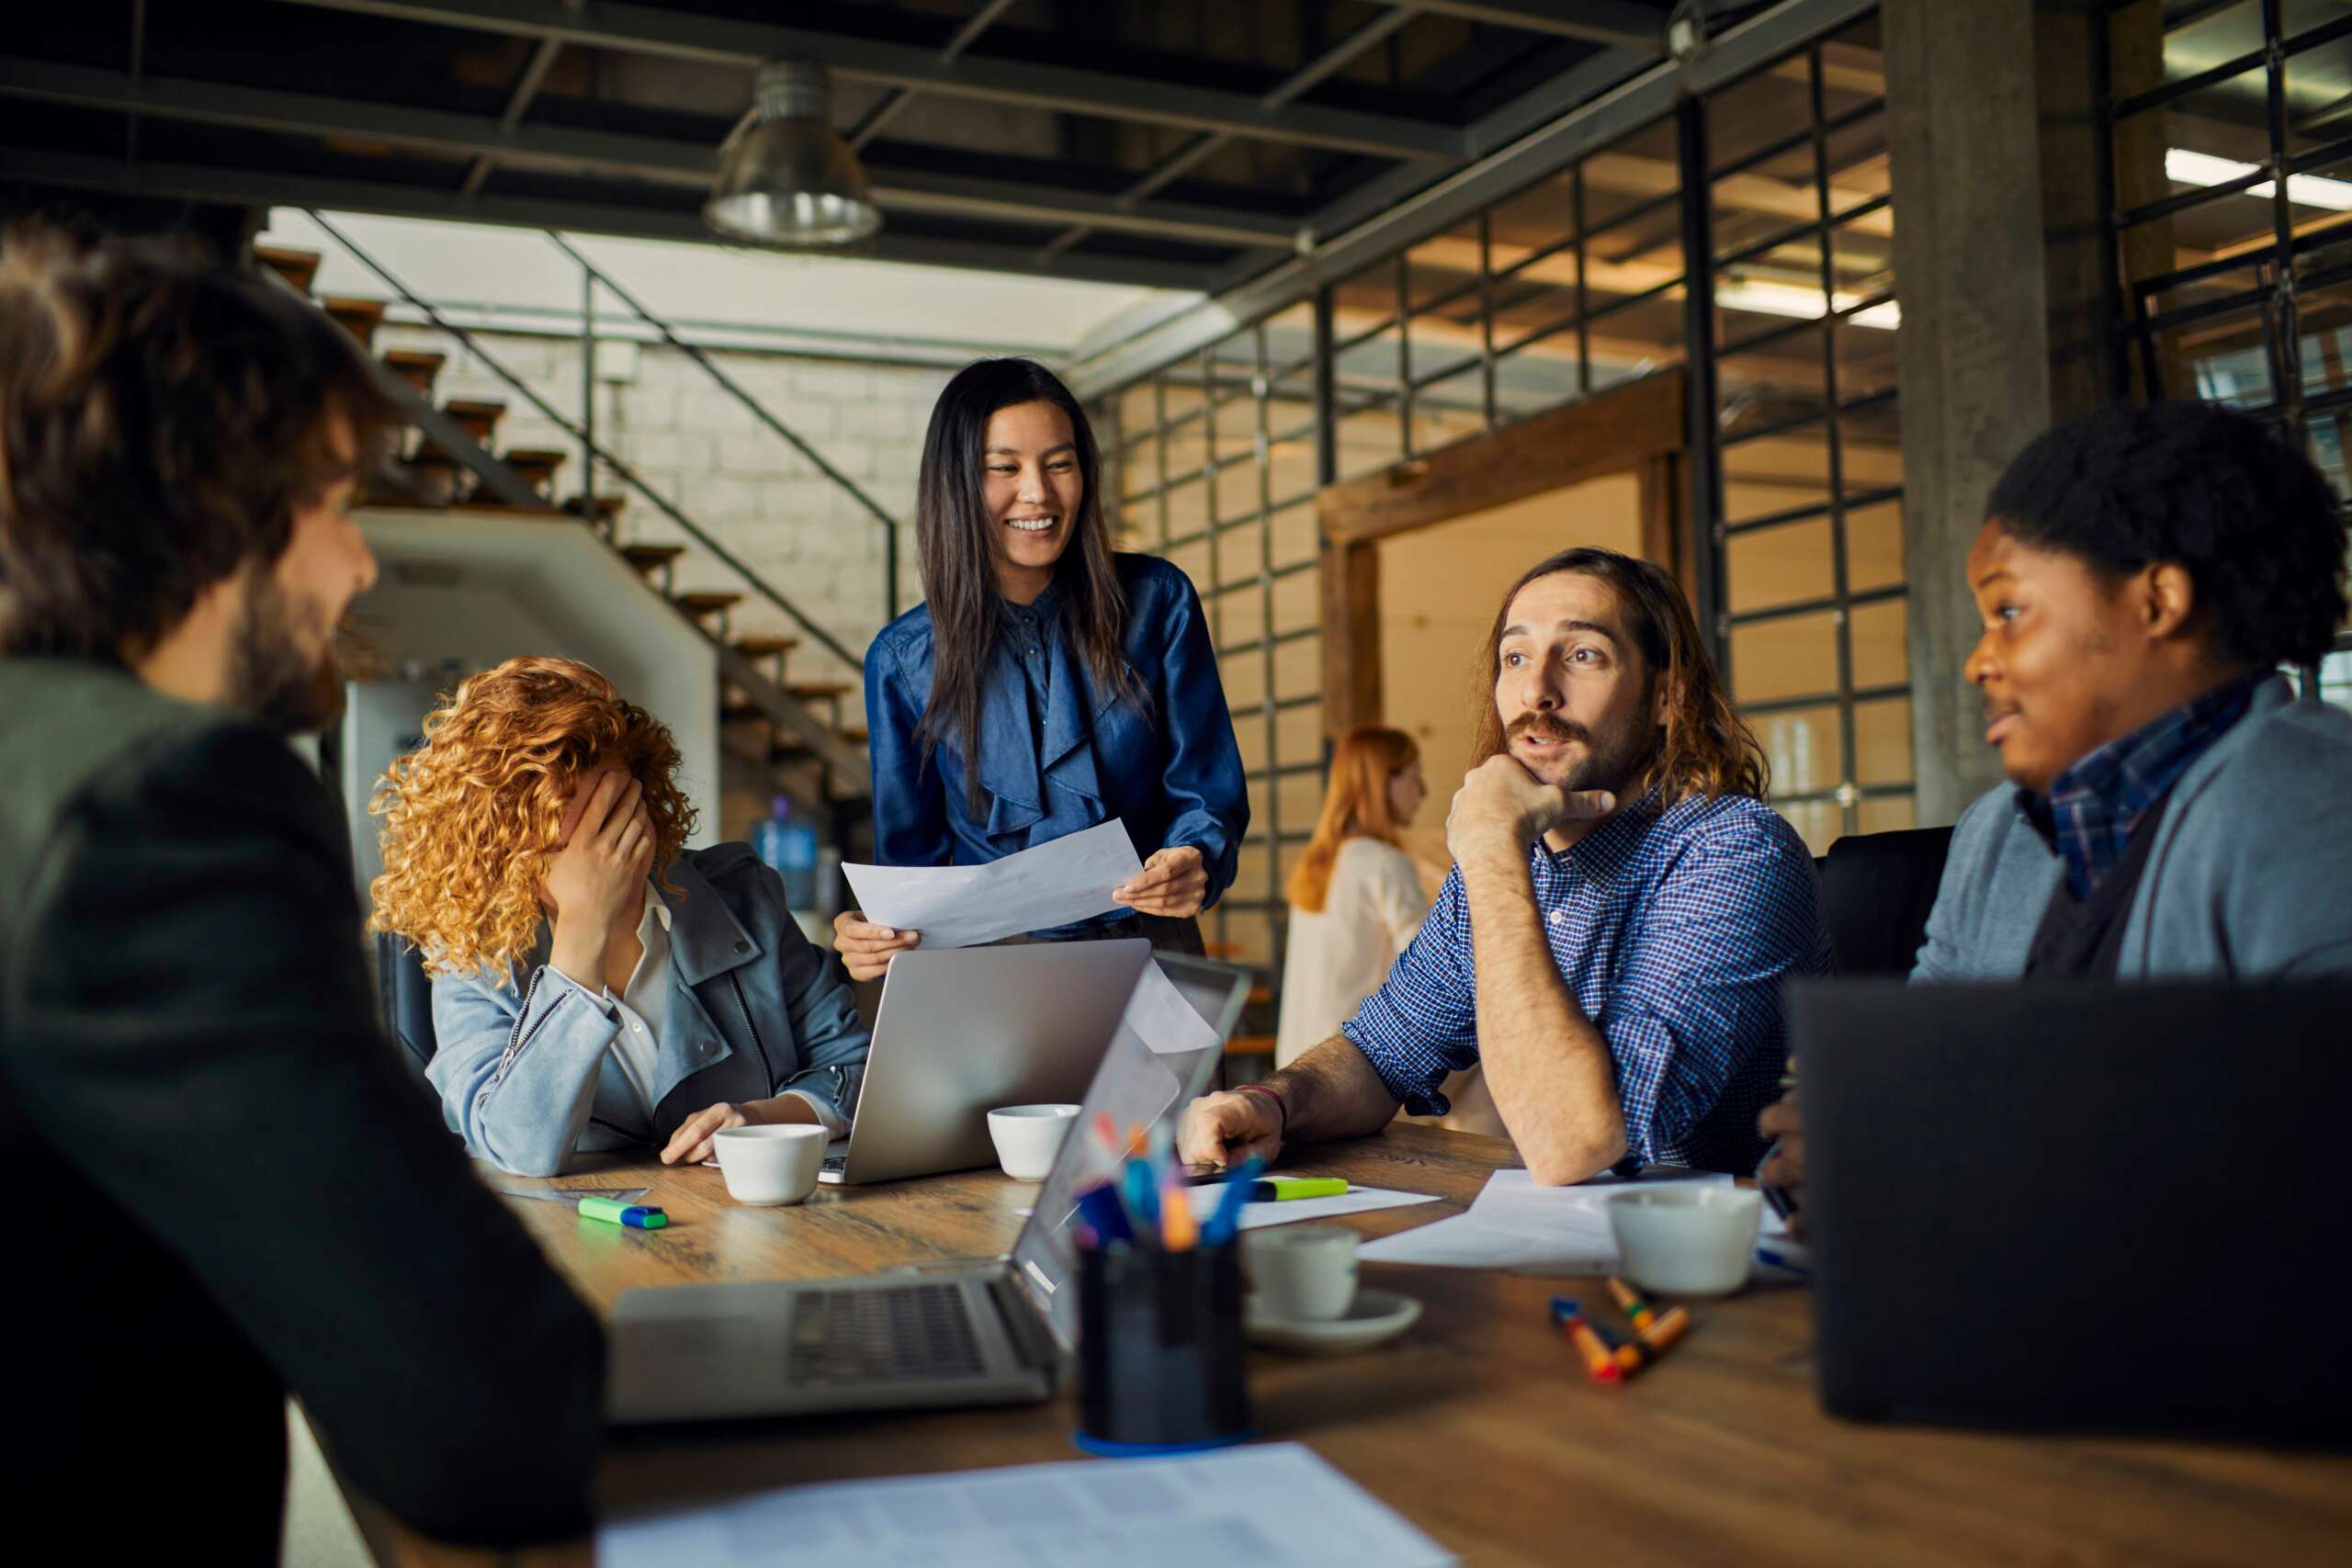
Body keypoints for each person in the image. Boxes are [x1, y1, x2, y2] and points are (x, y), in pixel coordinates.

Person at [0, 231, 602, 1554]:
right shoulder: (154, 803)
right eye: (334, 501)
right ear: (209, 509)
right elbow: (489, 1402)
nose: (361, 564)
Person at [1759, 400, 2352, 1209]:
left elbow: (2301, 1172)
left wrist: (1916, 1147)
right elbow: (1909, 1075)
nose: (1978, 662)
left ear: (2157, 602)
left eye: (2009, 612)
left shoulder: (2313, 801)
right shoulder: (1995, 834)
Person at [1184, 547, 1827, 1185]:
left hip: (1739, 1259)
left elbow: (1576, 1142)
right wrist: (1271, 1102)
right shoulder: (1513, 859)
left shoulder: (1734, 850)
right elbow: (1381, 1053)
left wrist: (1492, 850)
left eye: (1582, 655)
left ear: (1667, 698)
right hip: (1578, 1246)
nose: (1536, 690)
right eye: (1515, 656)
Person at [372, 656, 871, 1178]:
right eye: (573, 831)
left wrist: (760, 1119)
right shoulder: (471, 953)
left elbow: (856, 1069)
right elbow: (519, 1146)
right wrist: (582, 930)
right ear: (503, 843)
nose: (611, 845)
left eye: (617, 811)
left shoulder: (742, 895)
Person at [833, 357, 1249, 977]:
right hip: (988, 978)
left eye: (1060, 463)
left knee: (1190, 1084)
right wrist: (869, 934)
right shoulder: (902, 660)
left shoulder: (1159, 601)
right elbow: (910, 870)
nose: (1039, 493)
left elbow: (1205, 789)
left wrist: (1196, 856)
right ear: (956, 483)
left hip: (1153, 959)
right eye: (1005, 467)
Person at [1275, 726, 1430, 1067]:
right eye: (1414, 777)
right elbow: (1431, 971)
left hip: (1293, 1065)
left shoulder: (1317, 862)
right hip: (1348, 1072)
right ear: (1382, 782)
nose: (1423, 792)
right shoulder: (1385, 863)